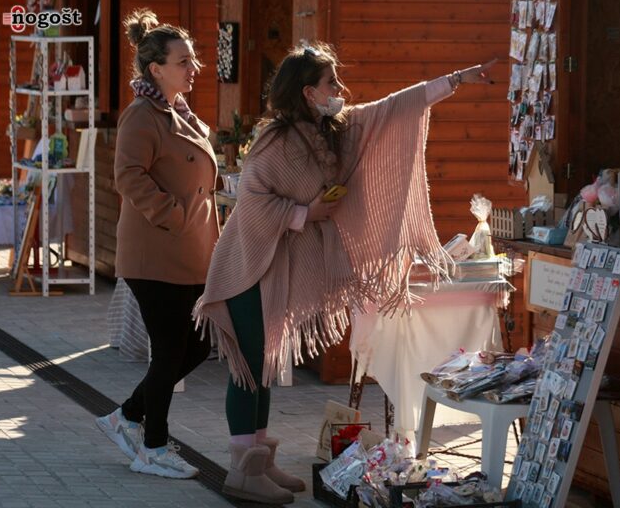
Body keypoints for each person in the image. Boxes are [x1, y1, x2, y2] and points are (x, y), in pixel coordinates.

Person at [193, 41, 497, 503]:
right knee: (249, 368)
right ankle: (242, 472)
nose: (340, 88)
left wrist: (457, 79)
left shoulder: (335, 130)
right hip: (248, 267)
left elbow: (393, 109)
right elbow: (252, 202)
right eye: (331, 81)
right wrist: (305, 212)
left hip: (279, 270)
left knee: (265, 364)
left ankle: (260, 461)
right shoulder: (274, 141)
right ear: (308, 92)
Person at [95, 8, 218, 480]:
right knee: (170, 350)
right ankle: (153, 448)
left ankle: (127, 415)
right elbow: (128, 176)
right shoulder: (141, 116)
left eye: (193, 59)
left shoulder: (179, 112)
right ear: (156, 69)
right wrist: (176, 216)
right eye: (183, 61)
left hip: (190, 253)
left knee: (198, 345)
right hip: (156, 254)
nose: (194, 68)